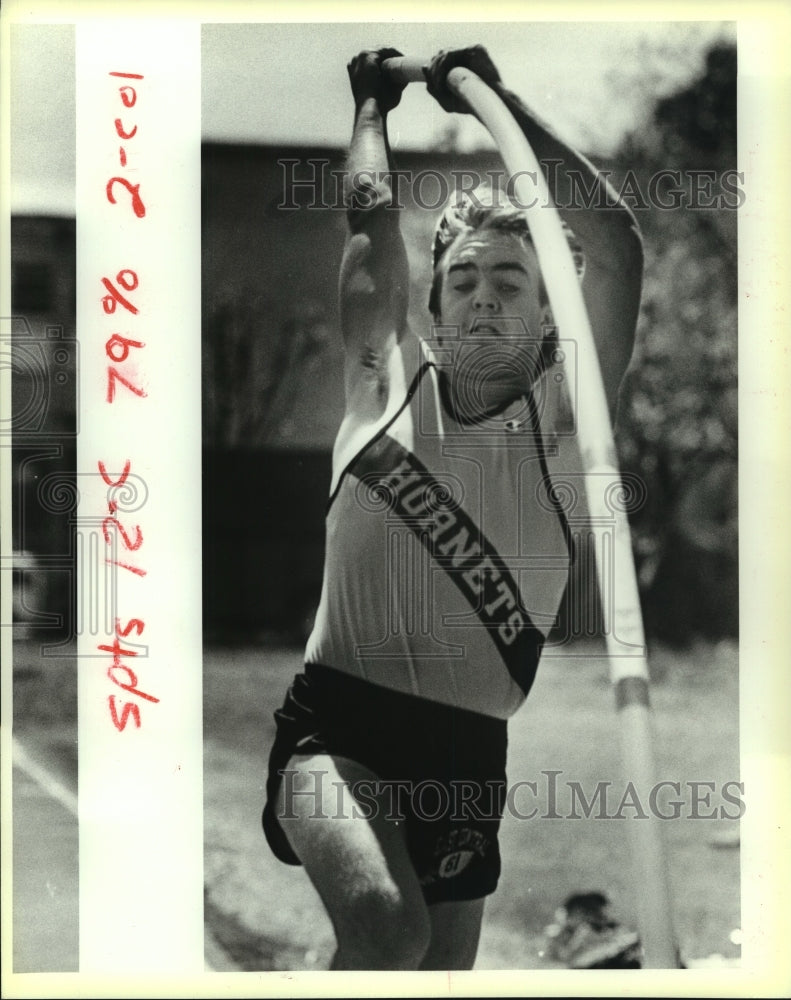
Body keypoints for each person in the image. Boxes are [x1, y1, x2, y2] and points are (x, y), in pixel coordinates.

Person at [262, 45, 643, 970]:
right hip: (336, 730)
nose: (480, 301)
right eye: (462, 282)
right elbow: (368, 217)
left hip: (468, 756)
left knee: (434, 974)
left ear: (546, 313)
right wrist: (368, 109)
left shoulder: (564, 424)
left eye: (508, 284)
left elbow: (619, 247)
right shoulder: (381, 385)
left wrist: (502, 106)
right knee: (390, 928)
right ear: (433, 304)